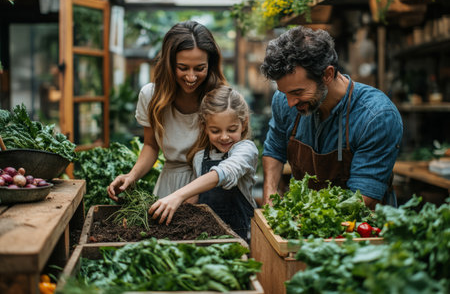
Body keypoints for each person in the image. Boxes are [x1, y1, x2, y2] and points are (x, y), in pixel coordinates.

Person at [260, 25, 403, 209]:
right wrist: (270, 193)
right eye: (284, 92)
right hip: (307, 222)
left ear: (327, 74)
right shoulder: (284, 99)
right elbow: (274, 149)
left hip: (361, 229)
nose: (290, 103)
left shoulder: (376, 116)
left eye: (298, 92)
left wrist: (308, 219)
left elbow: (362, 199)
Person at [107, 20, 227, 201]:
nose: (191, 76)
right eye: (183, 68)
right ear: (169, 64)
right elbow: (150, 146)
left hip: (210, 184)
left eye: (200, 68)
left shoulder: (220, 98)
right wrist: (131, 176)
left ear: (210, 64)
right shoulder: (151, 96)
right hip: (169, 184)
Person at [148, 86, 258, 241]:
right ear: (204, 127)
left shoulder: (246, 150)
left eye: (232, 129)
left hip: (241, 241)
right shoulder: (199, 157)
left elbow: (224, 172)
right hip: (208, 240)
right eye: (215, 131)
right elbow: (198, 198)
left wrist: (177, 195)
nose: (224, 137)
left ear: (244, 123)